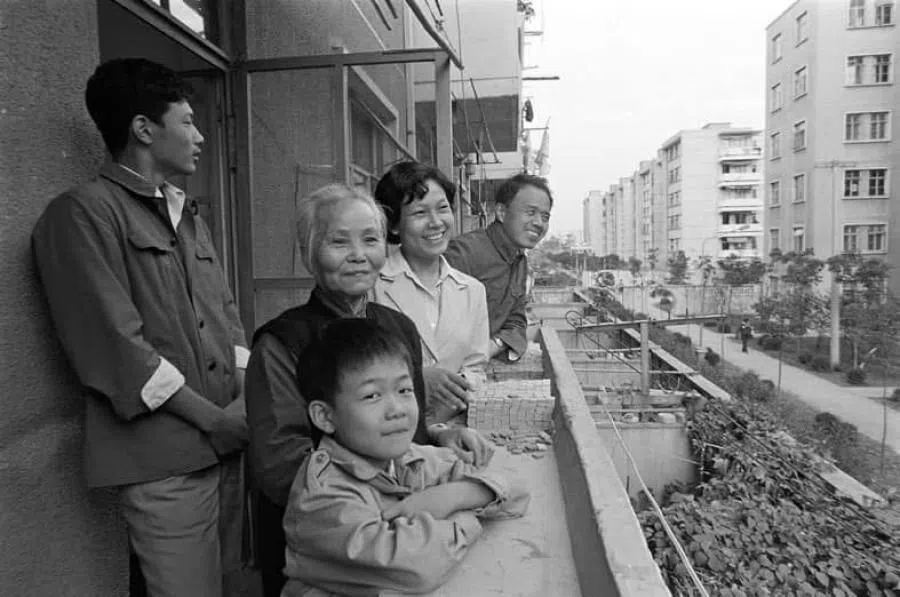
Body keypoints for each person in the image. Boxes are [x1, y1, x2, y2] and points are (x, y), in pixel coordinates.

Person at [31, 58, 248, 597]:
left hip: (228, 442)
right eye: (188, 121)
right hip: (167, 459)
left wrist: (247, 400)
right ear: (144, 128)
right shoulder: (81, 215)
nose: (200, 136)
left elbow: (225, 315)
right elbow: (116, 348)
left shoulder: (185, 212)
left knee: (236, 585)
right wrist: (215, 421)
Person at [244, 184, 494, 597]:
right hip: (329, 549)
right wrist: (388, 509)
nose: (358, 254)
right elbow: (280, 467)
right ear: (309, 253)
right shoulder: (280, 343)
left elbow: (403, 429)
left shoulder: (398, 329)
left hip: (409, 532)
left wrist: (439, 435)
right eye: (338, 241)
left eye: (371, 239)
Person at [281, 319, 529, 597]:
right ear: (325, 417)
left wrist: (456, 495)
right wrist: (471, 516)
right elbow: (420, 567)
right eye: (372, 395)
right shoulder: (322, 498)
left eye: (404, 390)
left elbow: (516, 489)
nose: (397, 410)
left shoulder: (407, 459)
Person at [371, 162, 490, 423]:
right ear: (393, 225)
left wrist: (454, 393)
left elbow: (476, 367)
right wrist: (418, 378)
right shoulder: (372, 287)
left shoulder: (473, 291)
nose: (435, 223)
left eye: (443, 208)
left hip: (452, 429)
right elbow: (357, 367)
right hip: (385, 430)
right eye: (419, 213)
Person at [444, 174, 553, 363]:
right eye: (530, 212)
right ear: (502, 212)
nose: (539, 223)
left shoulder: (519, 260)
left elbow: (517, 322)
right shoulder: (463, 254)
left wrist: (493, 345)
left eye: (545, 216)